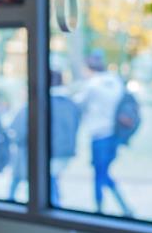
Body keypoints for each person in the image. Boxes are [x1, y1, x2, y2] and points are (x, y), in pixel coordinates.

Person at [9, 70, 81, 205]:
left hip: (44, 154)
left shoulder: (38, 103)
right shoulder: (71, 104)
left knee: (45, 187)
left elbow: (18, 131)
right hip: (64, 153)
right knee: (51, 184)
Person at [76, 49, 132, 216]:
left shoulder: (92, 85)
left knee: (99, 174)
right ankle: (124, 207)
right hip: (114, 135)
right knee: (103, 172)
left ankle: (100, 209)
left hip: (99, 136)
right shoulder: (115, 81)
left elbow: (78, 104)